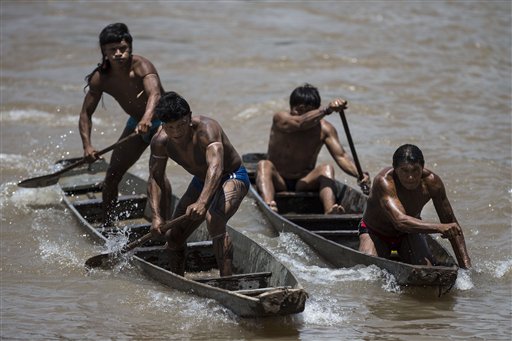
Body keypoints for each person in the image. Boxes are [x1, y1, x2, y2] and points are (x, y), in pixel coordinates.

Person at [78, 23, 171, 226]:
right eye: (113, 50)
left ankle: (164, 225)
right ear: (104, 51)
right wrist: (87, 146)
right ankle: (109, 225)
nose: (119, 53)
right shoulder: (100, 77)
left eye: (123, 48)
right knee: (111, 176)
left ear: (130, 47)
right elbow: (86, 113)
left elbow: (154, 94)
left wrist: (147, 118)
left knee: (156, 174)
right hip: (135, 124)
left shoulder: (142, 66)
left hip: (161, 123)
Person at [148, 91, 250, 277]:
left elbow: (216, 167)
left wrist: (203, 203)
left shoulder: (207, 129)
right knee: (173, 237)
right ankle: (178, 280)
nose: (177, 132)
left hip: (231, 176)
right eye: (170, 127)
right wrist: (156, 216)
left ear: (189, 117)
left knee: (214, 219)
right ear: (162, 125)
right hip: (201, 181)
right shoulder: (159, 142)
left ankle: (227, 281)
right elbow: (155, 178)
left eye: (181, 124)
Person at [256, 83, 371, 214]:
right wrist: (327, 109)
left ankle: (330, 210)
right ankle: (269, 205)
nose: (303, 114)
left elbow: (341, 156)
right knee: (264, 165)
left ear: (315, 110)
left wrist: (360, 174)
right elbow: (300, 123)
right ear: (291, 108)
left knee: (327, 168)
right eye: (299, 110)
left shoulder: (325, 129)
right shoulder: (281, 119)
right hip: (278, 180)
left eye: (308, 110)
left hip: (304, 181)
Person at [358, 144, 471, 269]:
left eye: (415, 170)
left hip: (409, 233)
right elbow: (400, 221)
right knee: (368, 270)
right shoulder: (384, 181)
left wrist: (466, 267)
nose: (410, 177)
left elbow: (450, 223)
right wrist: (439, 227)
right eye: (404, 171)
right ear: (395, 169)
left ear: (422, 167)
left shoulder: (432, 183)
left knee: (427, 272)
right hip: (376, 232)